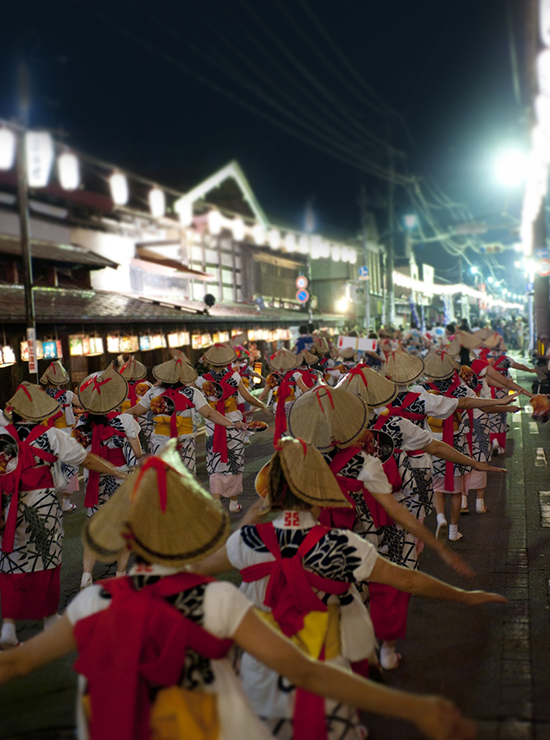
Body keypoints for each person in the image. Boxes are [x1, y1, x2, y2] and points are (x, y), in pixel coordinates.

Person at [0, 441, 482, 740]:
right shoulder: (216, 599)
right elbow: (305, 672)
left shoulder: (92, 601)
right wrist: (415, 706)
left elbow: (18, 663)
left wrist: (251, 523)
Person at [196, 437, 504, 740]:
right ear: (321, 494)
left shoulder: (246, 541)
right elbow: (407, 579)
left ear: (272, 493)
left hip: (259, 674)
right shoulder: (341, 545)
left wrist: (245, 524)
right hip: (327, 674)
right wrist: (464, 595)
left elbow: (198, 568)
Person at [0, 382, 126, 649]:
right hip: (41, 503)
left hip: (6, 503)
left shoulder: (2, 436)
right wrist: (116, 471)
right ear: (40, 413)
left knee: (9, 561)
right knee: (48, 557)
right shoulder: (52, 436)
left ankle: (8, 629)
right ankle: (48, 619)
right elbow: (86, 460)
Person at [73, 364, 142, 587]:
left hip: (94, 478)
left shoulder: (81, 423)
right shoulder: (125, 421)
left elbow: (78, 453)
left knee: (95, 525)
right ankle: (121, 573)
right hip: (121, 477)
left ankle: (86, 575)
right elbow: (137, 452)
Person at [126, 357, 239, 475]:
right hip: (185, 442)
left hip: (160, 442)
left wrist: (117, 417)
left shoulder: (154, 392)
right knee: (186, 478)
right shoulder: (192, 393)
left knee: (162, 477)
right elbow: (209, 413)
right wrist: (231, 424)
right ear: (182, 377)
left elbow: (136, 411)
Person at [195, 344, 267, 513]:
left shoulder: (202, 379)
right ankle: (234, 503)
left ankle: (216, 501)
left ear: (209, 362)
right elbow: (248, 397)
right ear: (227, 360)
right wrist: (262, 405)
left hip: (213, 423)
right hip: (234, 422)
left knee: (215, 460)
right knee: (235, 459)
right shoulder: (234, 376)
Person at [40, 360, 83, 512]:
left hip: (45, 434)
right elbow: (83, 404)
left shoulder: (42, 395)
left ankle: (48, 502)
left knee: (47, 467)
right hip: (65, 434)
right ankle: (66, 502)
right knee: (69, 467)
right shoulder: (68, 395)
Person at [258, 349, 308, 445]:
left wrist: (255, 408)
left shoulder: (271, 377)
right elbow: (304, 389)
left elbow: (263, 395)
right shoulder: (295, 375)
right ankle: (293, 444)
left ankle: (283, 444)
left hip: (278, 407)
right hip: (292, 405)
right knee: (293, 425)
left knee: (280, 425)